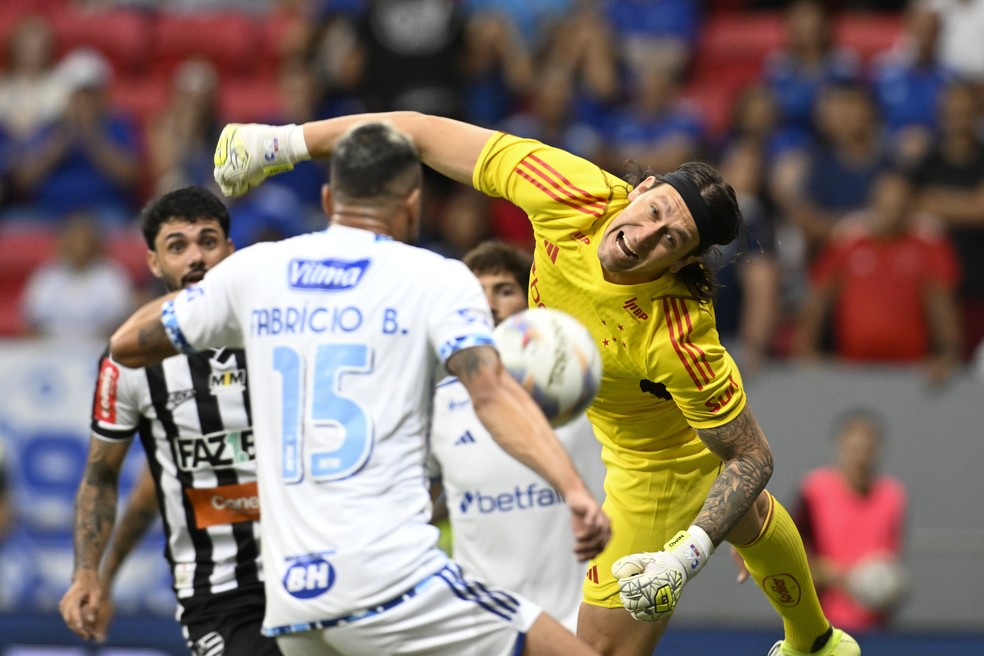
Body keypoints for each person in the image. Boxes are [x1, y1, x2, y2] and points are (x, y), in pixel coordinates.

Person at [210, 112, 861, 656]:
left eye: (672, 240)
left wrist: (686, 553)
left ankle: (811, 638)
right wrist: (284, 143)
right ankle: (819, 644)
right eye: (656, 209)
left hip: (657, 461)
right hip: (604, 416)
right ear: (642, 187)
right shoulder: (572, 193)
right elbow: (416, 130)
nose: (646, 236)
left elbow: (751, 457)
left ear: (685, 263)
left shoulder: (680, 337)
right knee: (742, 518)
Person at [109, 122, 610, 656]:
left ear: (328, 198)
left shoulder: (256, 270)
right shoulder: (435, 278)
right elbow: (489, 393)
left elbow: (126, 344)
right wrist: (573, 487)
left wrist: (215, 294)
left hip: (292, 599)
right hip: (388, 578)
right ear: (413, 204)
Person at [59, 186, 283, 655]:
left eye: (208, 241)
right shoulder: (127, 361)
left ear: (231, 252)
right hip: (220, 592)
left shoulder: (283, 332)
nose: (196, 257)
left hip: (312, 571)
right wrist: (93, 573)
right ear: (155, 264)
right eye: (177, 246)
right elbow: (107, 476)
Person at [428, 240, 607, 632]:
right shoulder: (438, 404)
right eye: (476, 292)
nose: (488, 304)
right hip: (482, 626)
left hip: (579, 622)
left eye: (504, 290)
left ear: (531, 304)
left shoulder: (581, 387)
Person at [791, 171, 963, 385]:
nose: (891, 213)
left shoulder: (927, 245)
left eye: (898, 206)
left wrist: (948, 353)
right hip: (853, 370)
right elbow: (820, 295)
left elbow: (940, 300)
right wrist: (806, 350)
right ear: (873, 204)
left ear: (909, 207)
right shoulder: (849, 242)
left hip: (911, 372)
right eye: (886, 205)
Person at [792, 409, 908, 632]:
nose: (860, 455)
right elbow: (793, 550)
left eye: (867, 448)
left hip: (877, 622)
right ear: (839, 446)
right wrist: (835, 576)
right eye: (854, 447)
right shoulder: (814, 489)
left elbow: (892, 554)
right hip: (822, 621)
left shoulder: (894, 495)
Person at [20, 213, 136, 339]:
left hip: (98, 349)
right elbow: (29, 324)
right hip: (50, 349)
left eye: (84, 241)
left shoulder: (112, 277)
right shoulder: (46, 276)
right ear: (64, 243)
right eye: (73, 240)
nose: (79, 246)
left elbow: (124, 326)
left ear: (95, 243)